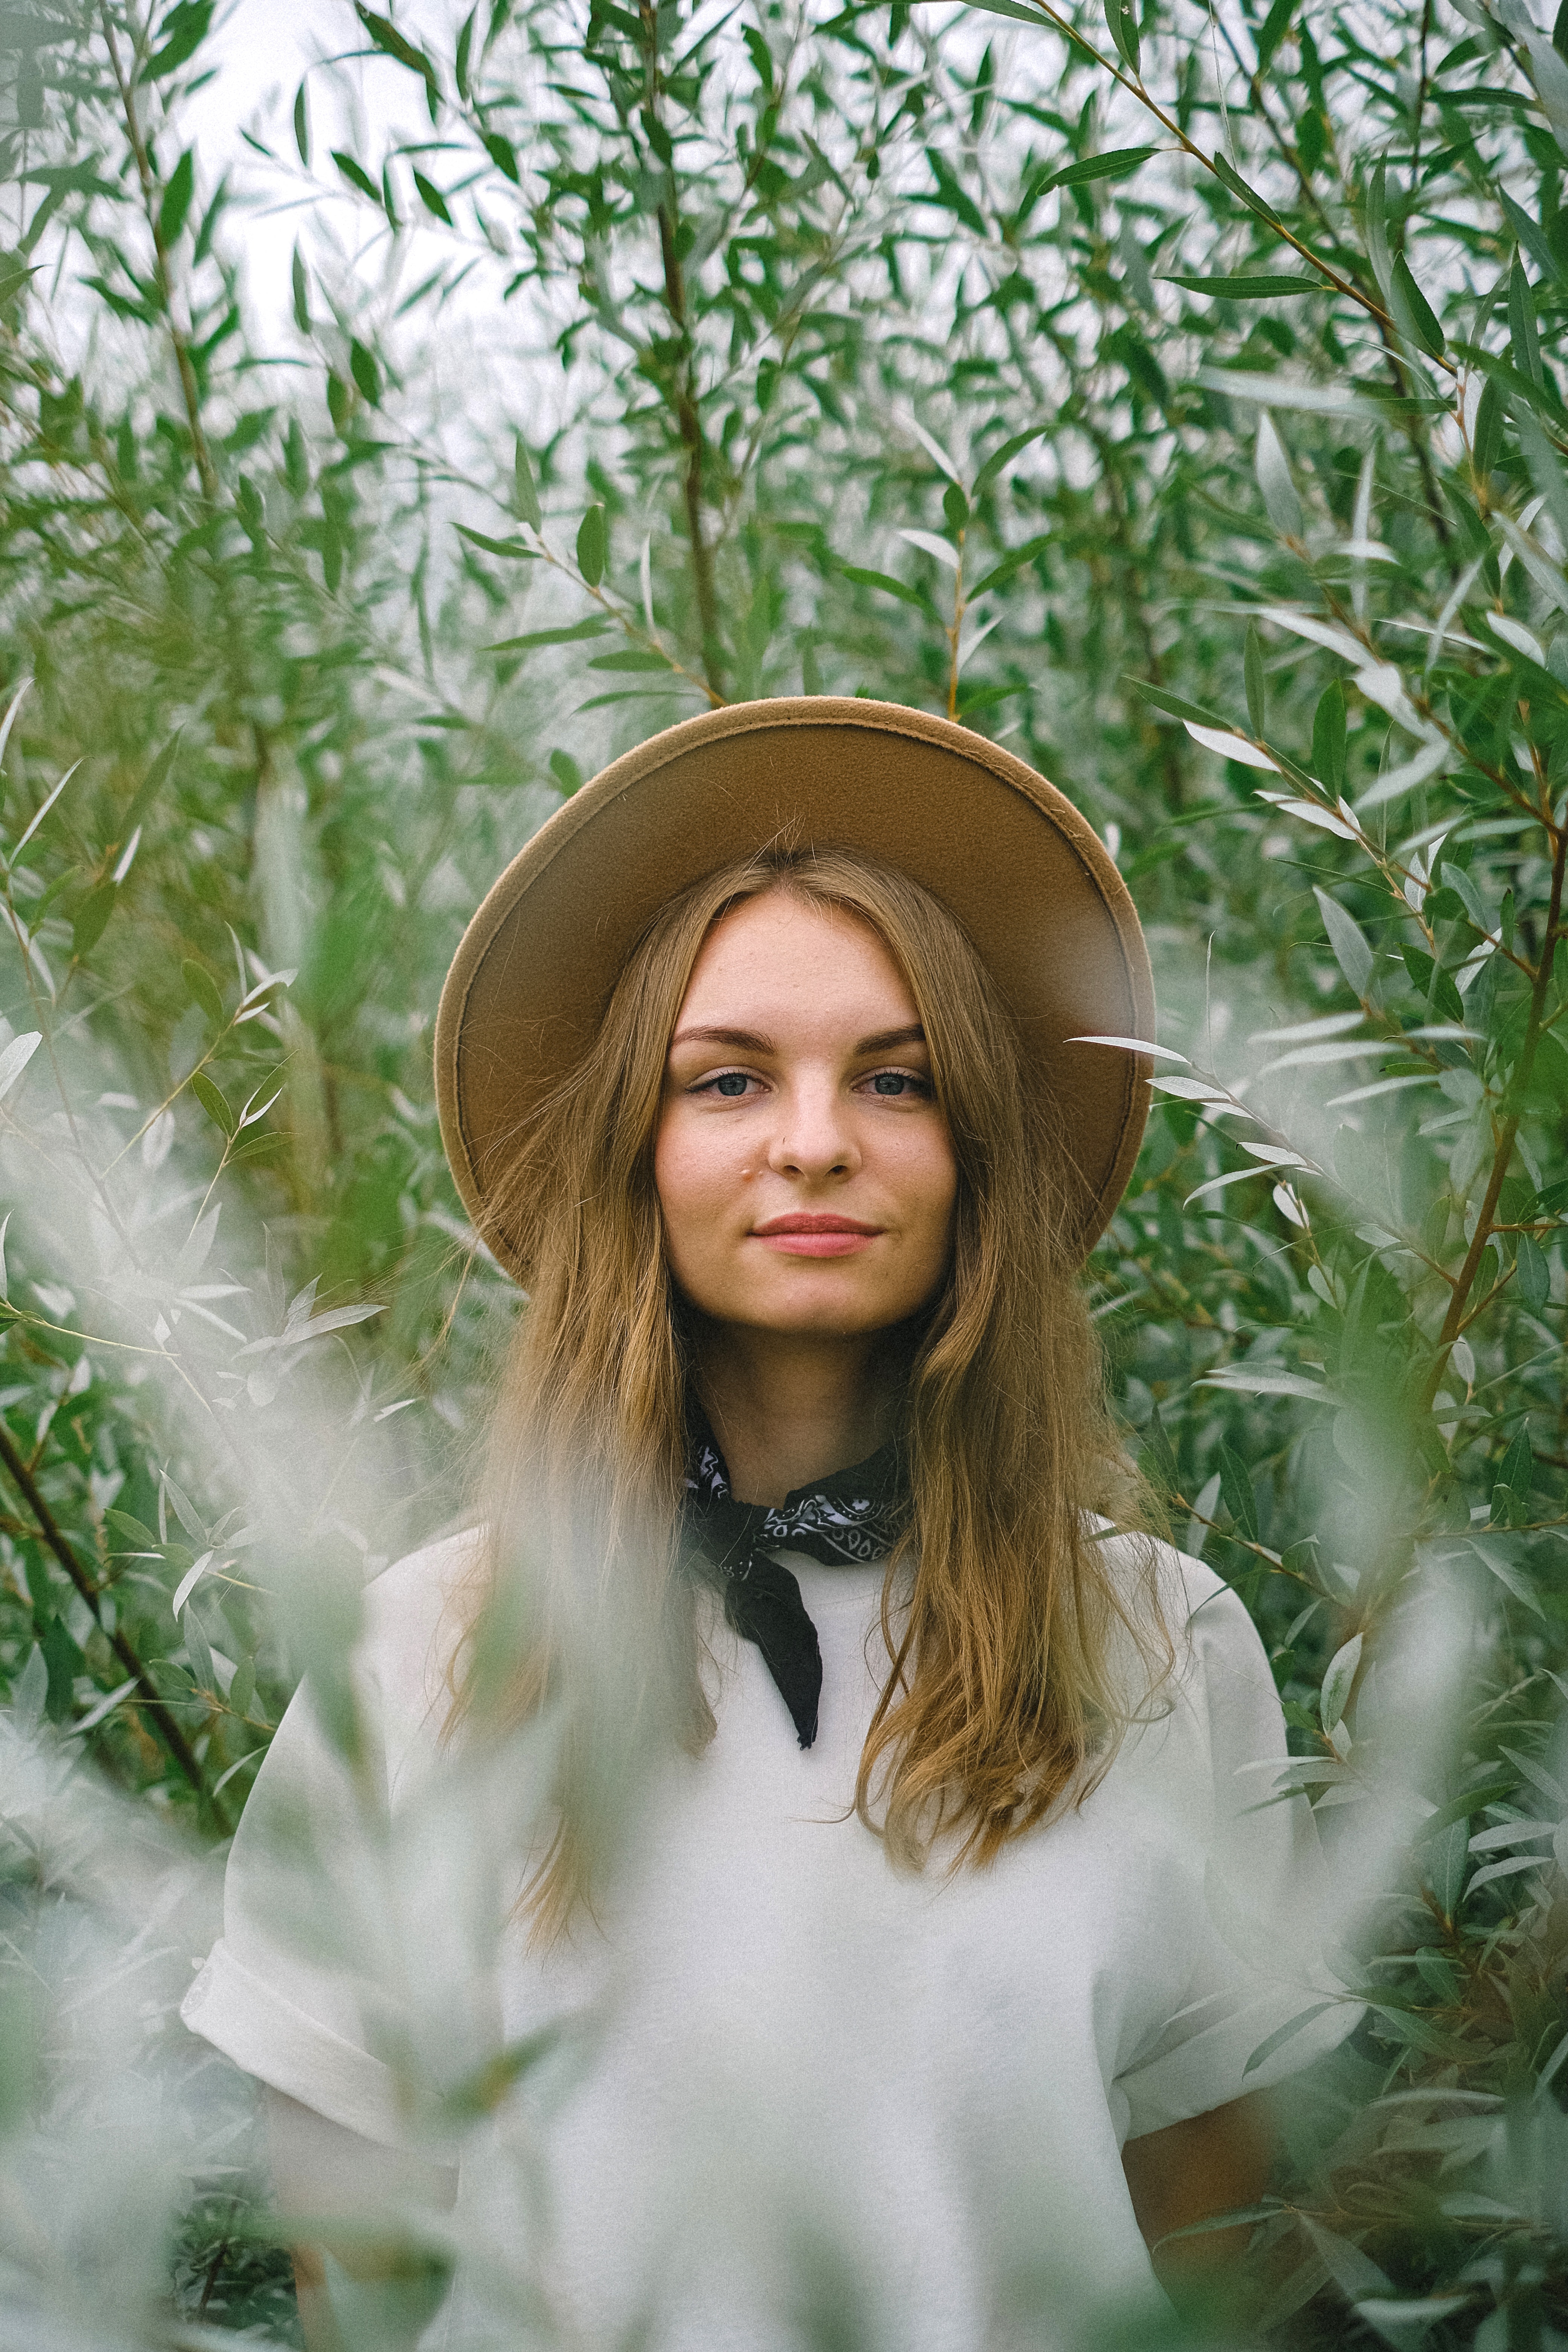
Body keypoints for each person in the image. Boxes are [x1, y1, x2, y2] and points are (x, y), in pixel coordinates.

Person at [182, 699, 1355, 2352]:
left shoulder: (1157, 1648)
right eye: (726, 1079)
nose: (815, 1141)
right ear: (632, 1156)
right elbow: (357, 2288)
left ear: (968, 1154)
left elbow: (1225, 2258)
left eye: (896, 1078)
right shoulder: (418, 1661)